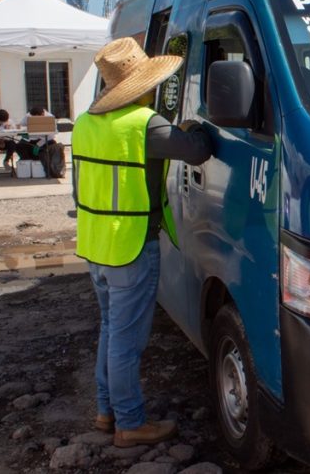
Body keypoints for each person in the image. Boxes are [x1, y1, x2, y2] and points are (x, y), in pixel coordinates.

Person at [74, 37, 214, 448]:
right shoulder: (144, 124)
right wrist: (195, 128)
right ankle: (131, 424)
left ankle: (106, 412)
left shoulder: (85, 122)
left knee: (111, 330)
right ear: (140, 84)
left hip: (95, 244)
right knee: (126, 342)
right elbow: (197, 150)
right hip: (131, 245)